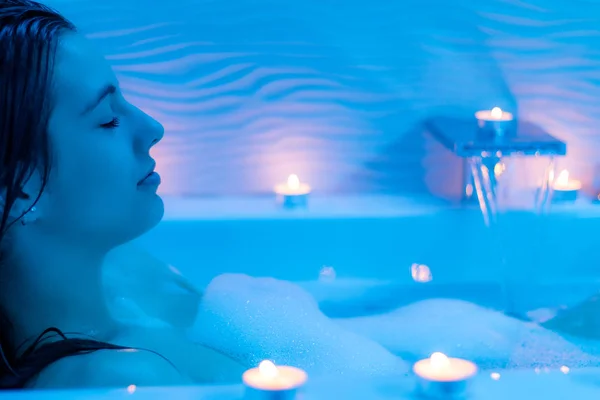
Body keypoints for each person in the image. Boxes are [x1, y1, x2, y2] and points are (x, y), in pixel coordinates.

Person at [0, 0, 245, 389]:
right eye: (108, 119)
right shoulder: (116, 380)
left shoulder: (124, 271)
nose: (153, 127)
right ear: (17, 191)